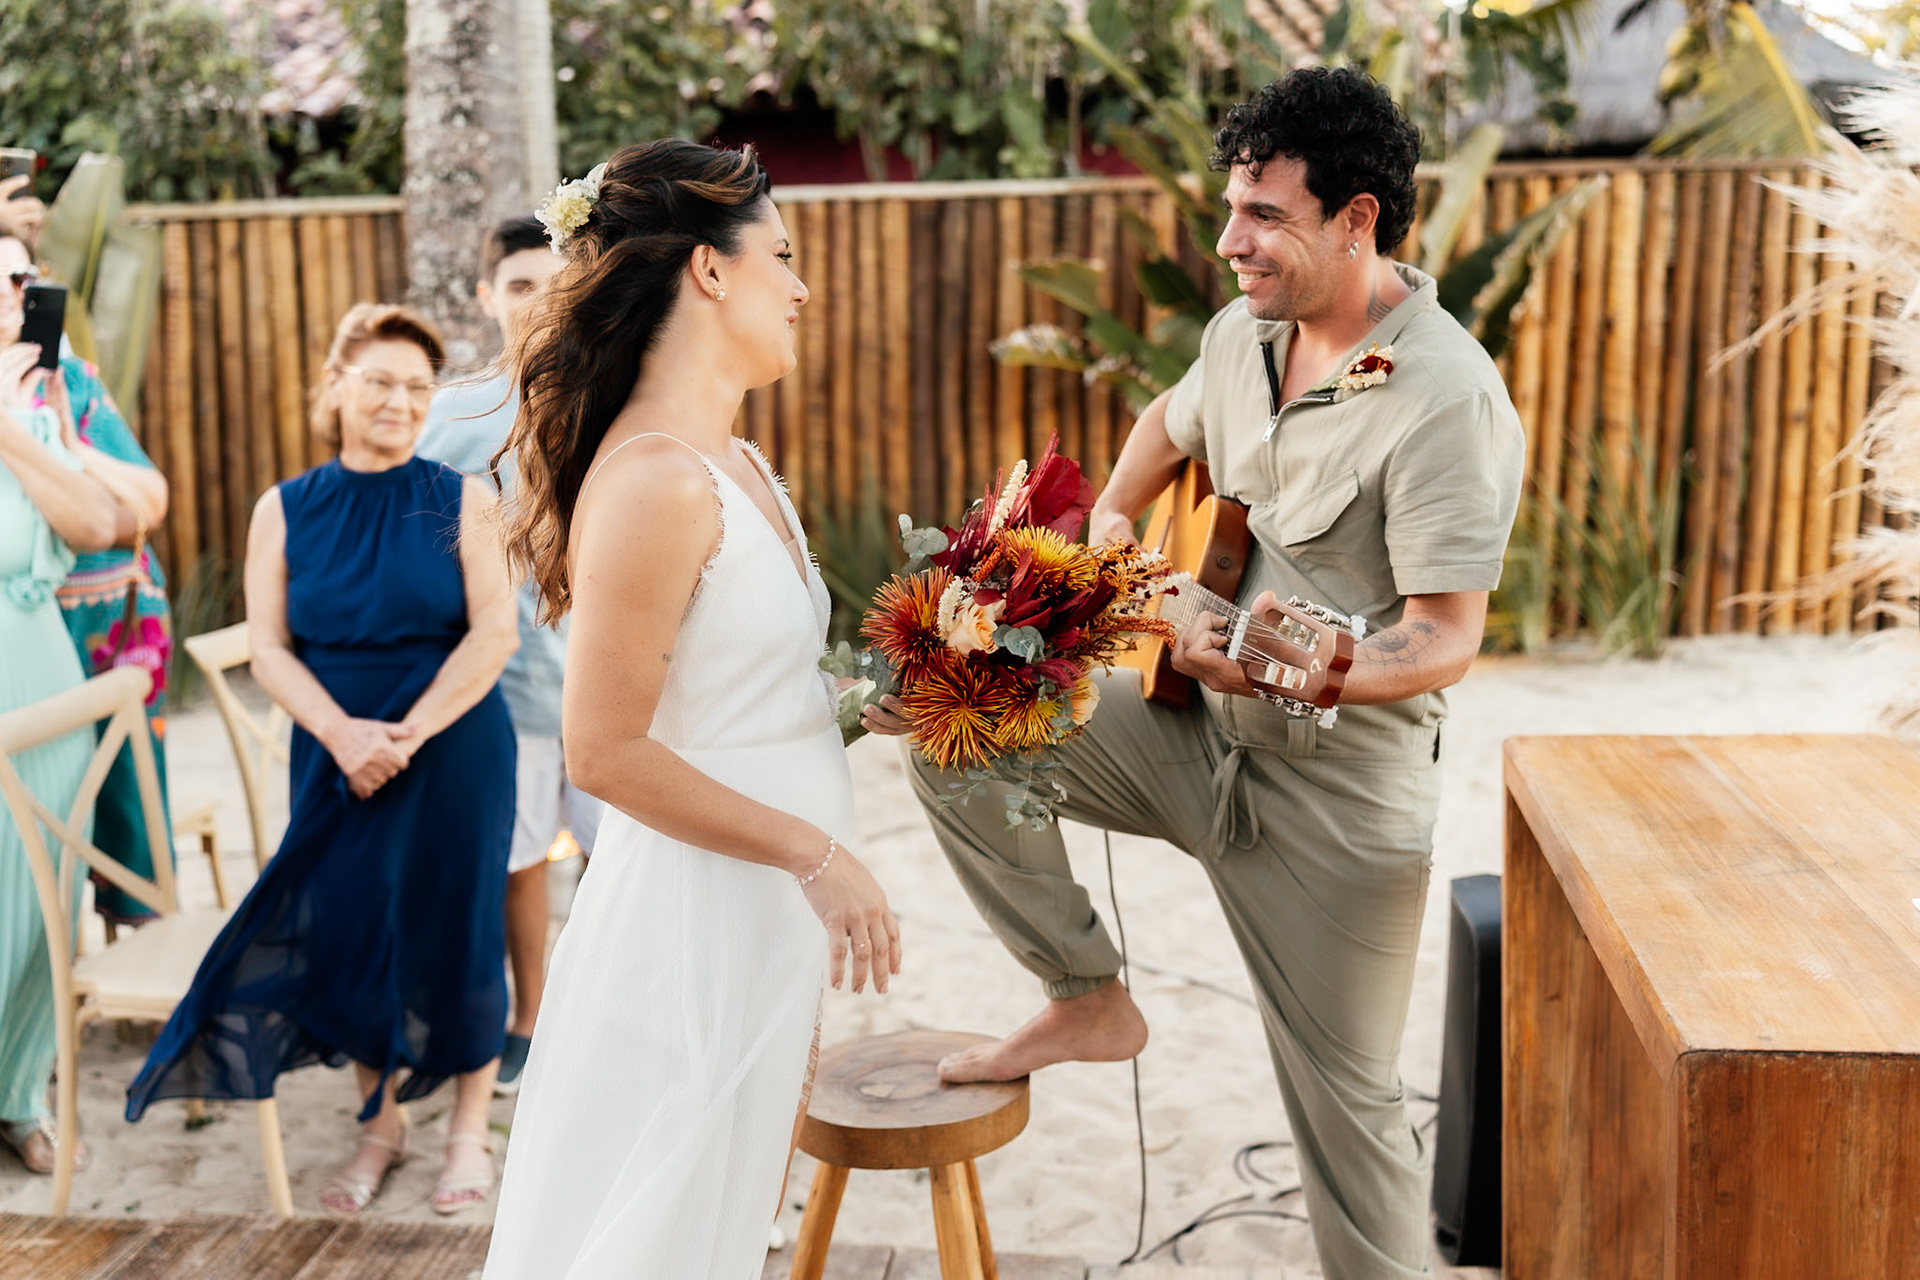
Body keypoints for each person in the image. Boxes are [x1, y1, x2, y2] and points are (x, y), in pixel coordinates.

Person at [867, 68, 1524, 1280]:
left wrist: (1306, 657)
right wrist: (1113, 534)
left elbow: (1444, 638)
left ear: (1359, 219)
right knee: (952, 726)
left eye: (1264, 216)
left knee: (1351, 1115)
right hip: (1187, 741)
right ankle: (1085, 993)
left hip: (1339, 803)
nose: (1230, 243)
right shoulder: (1239, 334)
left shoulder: (1446, 396)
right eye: (1232, 209)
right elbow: (1168, 425)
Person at [482, 139, 901, 1280]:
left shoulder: (742, 461)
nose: (802, 286)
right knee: (659, 1228)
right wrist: (815, 852)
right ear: (709, 273)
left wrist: (895, 694)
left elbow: (745, 691)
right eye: (783, 255)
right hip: (695, 919)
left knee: (731, 1216)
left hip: (766, 911)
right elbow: (604, 749)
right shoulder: (658, 481)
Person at [125, 303, 520, 1218]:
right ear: (335, 386)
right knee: (352, 928)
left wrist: (407, 736)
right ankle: (379, 1122)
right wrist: (344, 736)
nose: (399, 400)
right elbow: (268, 647)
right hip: (331, 741)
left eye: (418, 387)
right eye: (379, 380)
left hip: (452, 741)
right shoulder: (286, 506)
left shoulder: (466, 498)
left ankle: (467, 1126)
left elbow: (495, 633)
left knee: (459, 924)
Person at [416, 216, 601, 1097]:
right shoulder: (449, 414)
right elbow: (419, 545)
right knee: (521, 860)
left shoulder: (611, 394)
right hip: (514, 680)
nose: (540, 301)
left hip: (611, 675)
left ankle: (610, 1015)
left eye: (554, 283)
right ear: (488, 295)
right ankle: (526, 1019)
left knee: (620, 859)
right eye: (521, 284)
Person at [0, 229, 120, 1176]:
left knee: (45, 905)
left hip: (49, 685)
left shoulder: (37, 412)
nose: (17, 290)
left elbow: (95, 522)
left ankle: (20, 1090)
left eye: (22, 275)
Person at [45, 344, 175, 927]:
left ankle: (137, 973)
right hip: (27, 623)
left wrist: (71, 449)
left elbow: (143, 504)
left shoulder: (68, 379)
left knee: (127, 795)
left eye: (18, 276)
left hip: (111, 616)